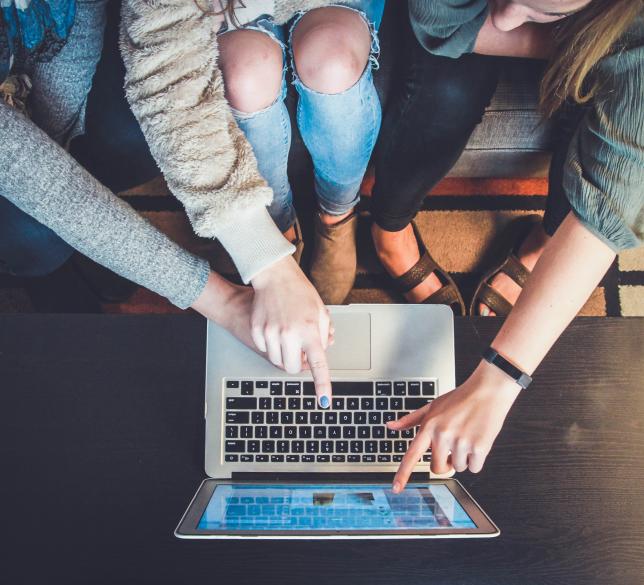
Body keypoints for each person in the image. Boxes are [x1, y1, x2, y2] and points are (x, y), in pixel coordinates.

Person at [368, 0, 643, 490]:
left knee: (602, 134)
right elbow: (439, 23)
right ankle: (388, 230)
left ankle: (542, 242)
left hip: (612, 30)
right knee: (448, 91)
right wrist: (574, 39)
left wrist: (499, 379)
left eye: (540, 6)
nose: (509, 16)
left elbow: (608, 201)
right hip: (462, 19)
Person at [0, 0, 332, 403]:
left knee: (137, 136)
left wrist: (58, 144)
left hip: (52, 87)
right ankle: (56, 267)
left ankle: (98, 242)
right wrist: (229, 298)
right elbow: (32, 174)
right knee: (33, 235)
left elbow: (158, 56)